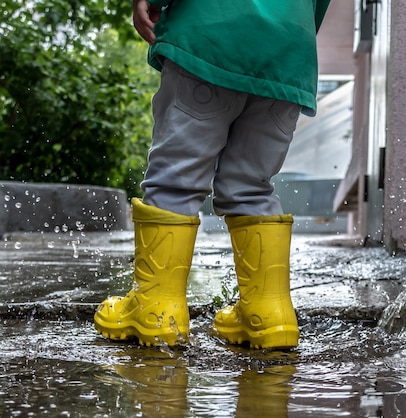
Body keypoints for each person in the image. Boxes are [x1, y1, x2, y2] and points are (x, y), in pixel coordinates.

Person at [94, 0, 330, 350]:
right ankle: (269, 313)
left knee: (177, 178)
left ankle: (156, 307)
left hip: (212, 33)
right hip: (288, 50)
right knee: (252, 185)